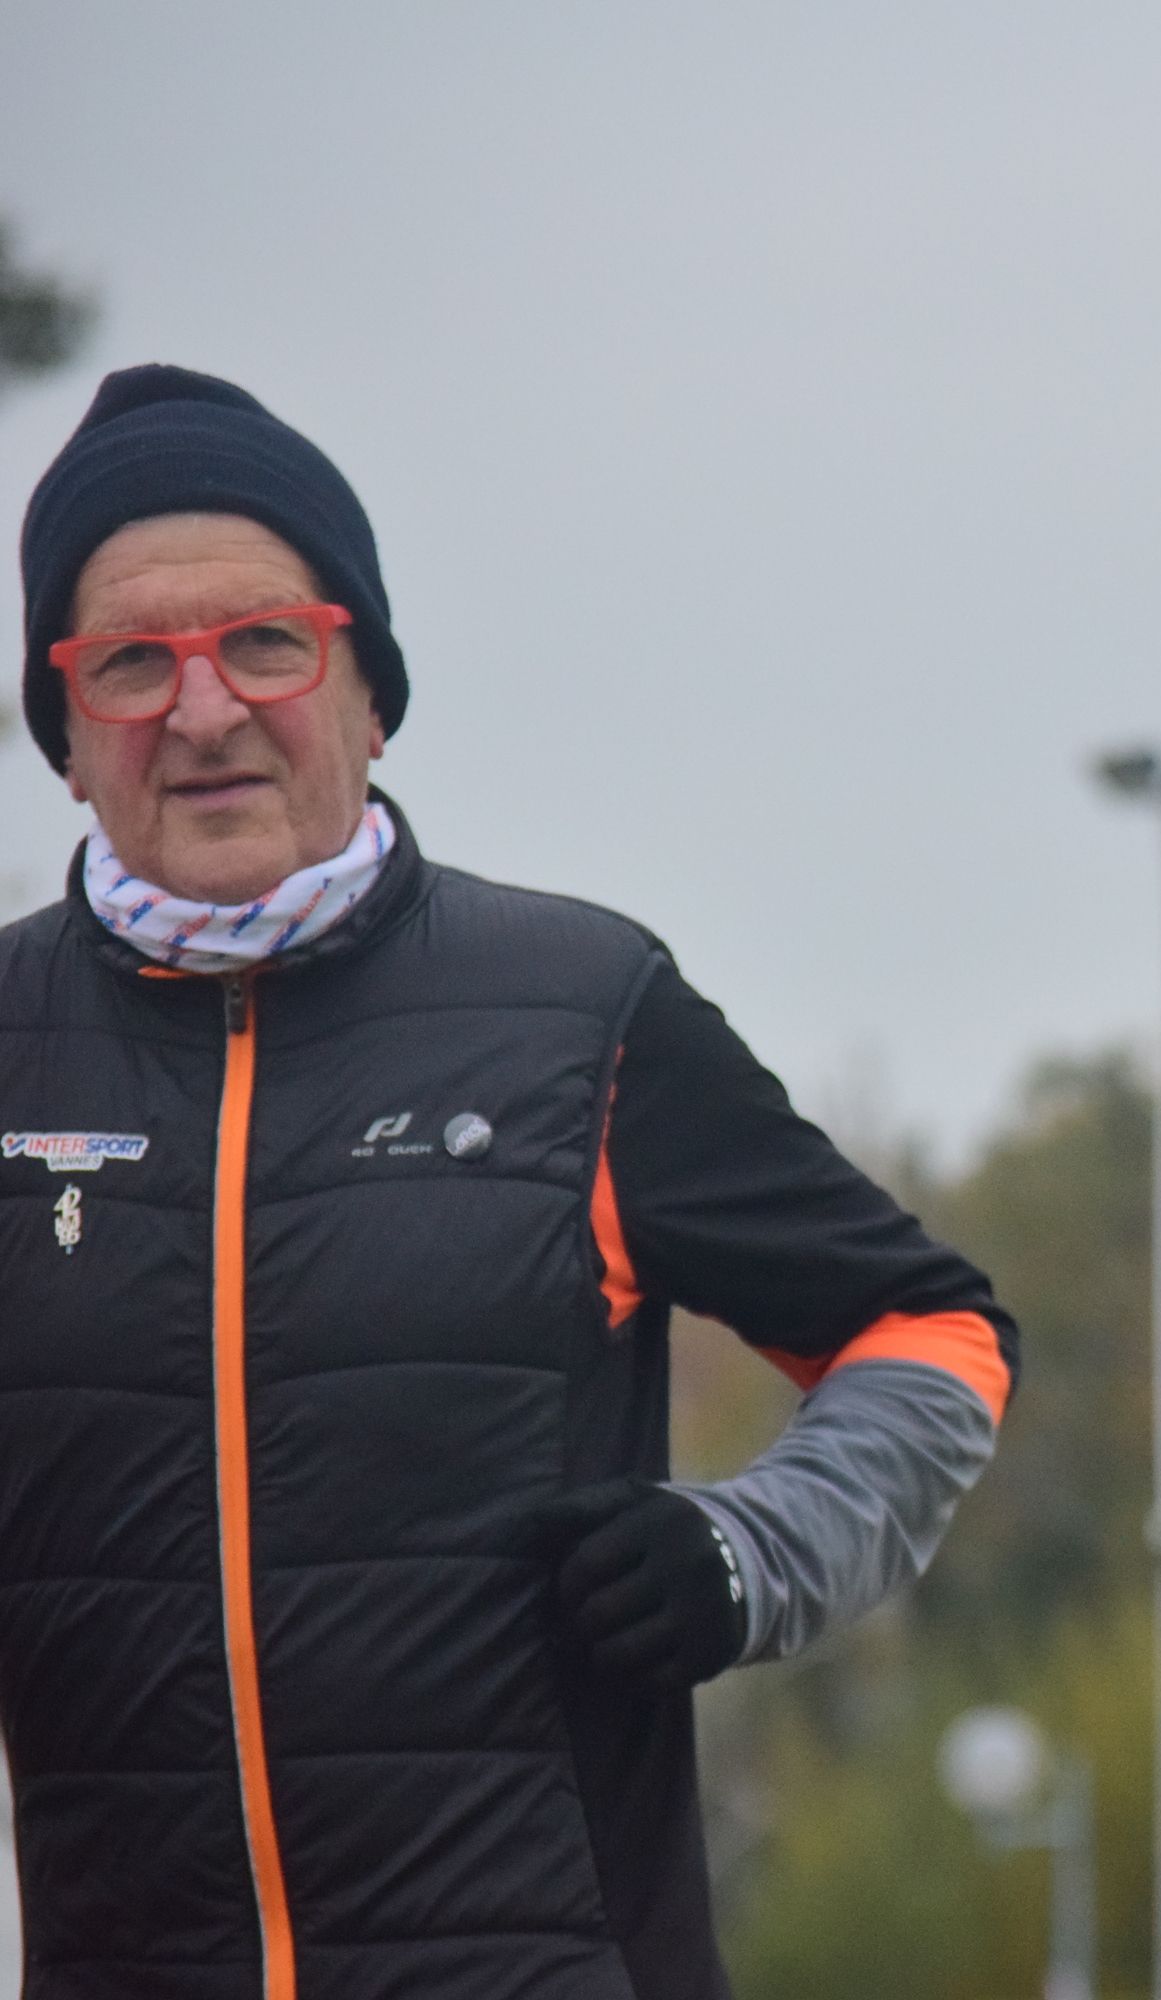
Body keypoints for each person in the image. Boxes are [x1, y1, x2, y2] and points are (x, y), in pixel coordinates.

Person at [0, 365, 1016, 2000]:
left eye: (265, 644)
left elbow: (931, 1336)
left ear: (371, 691)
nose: (202, 712)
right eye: (129, 663)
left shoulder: (580, 1011)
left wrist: (747, 1550)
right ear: (64, 736)